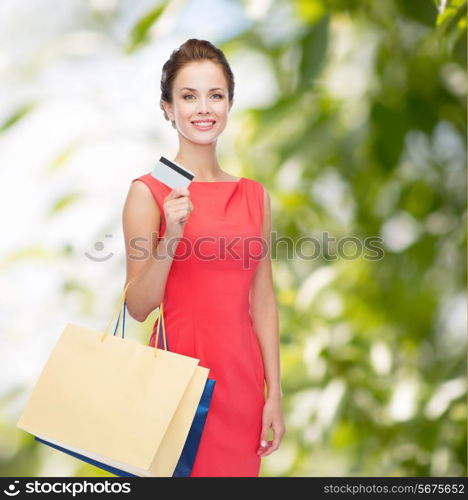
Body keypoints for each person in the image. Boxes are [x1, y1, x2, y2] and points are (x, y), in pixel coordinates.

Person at [122, 38, 285, 477]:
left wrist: (275, 392)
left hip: (244, 385)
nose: (203, 108)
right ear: (168, 108)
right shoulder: (147, 193)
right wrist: (170, 236)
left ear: (230, 104)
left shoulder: (253, 196)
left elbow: (263, 301)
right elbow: (138, 307)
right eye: (188, 96)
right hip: (177, 383)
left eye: (215, 95)